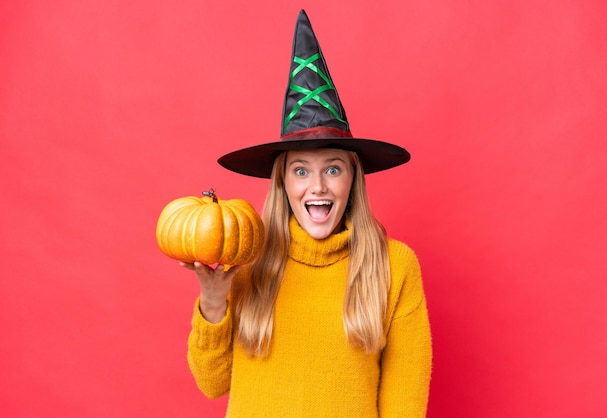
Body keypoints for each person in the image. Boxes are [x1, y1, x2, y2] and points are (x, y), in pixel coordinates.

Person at [183, 10, 432, 417]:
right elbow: (212, 384)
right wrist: (213, 300)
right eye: (301, 171)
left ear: (354, 179)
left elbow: (405, 403)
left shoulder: (394, 266)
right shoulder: (244, 262)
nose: (317, 186)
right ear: (282, 183)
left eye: (333, 169)